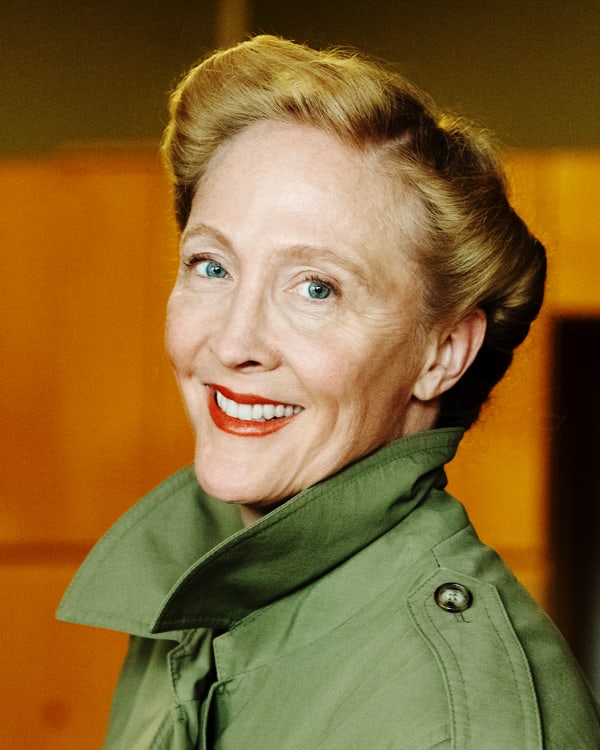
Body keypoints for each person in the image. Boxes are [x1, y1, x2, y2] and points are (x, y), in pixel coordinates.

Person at [58, 35, 600, 748]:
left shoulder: (458, 724)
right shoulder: (197, 608)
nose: (233, 342)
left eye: (316, 288)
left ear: (442, 353)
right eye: (212, 266)